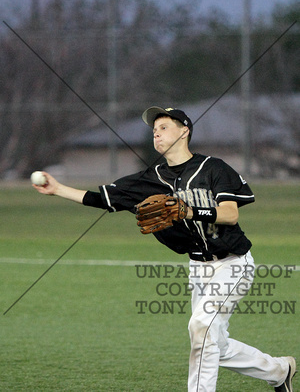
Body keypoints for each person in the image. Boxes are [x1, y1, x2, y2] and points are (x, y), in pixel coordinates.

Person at [33, 106, 296, 392]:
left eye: (164, 127)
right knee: (210, 340)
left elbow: (230, 214)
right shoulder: (150, 178)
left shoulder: (213, 168)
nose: (157, 133)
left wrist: (188, 210)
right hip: (198, 267)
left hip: (233, 263)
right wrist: (58, 189)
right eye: (154, 130)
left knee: (201, 327)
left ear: (184, 131)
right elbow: (104, 199)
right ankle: (279, 371)